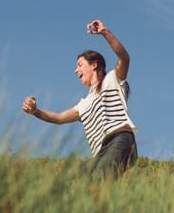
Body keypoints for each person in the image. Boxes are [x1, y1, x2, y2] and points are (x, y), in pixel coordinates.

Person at [23, 19, 137, 178]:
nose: (76, 71)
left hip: (120, 139)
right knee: (73, 178)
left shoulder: (113, 79)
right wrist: (35, 111)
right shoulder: (83, 105)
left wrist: (105, 33)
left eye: (80, 65)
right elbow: (59, 118)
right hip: (100, 153)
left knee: (100, 179)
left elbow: (124, 58)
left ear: (94, 65)